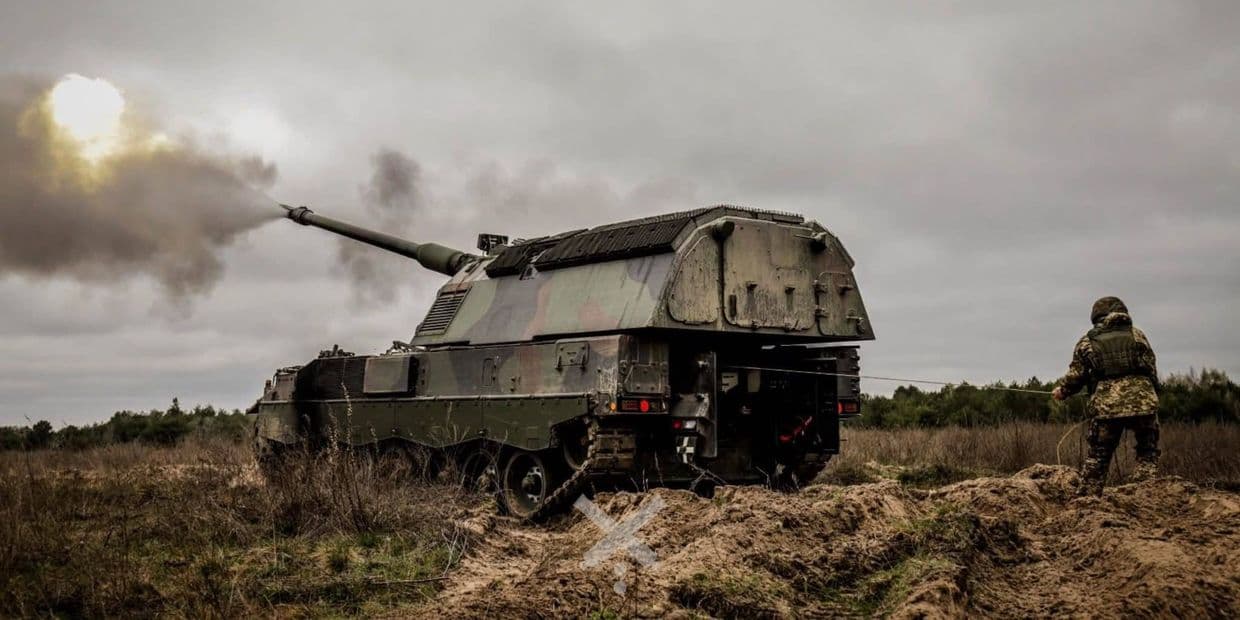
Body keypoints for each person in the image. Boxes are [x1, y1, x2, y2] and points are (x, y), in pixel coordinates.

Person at [1052, 296, 1160, 496]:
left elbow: (1076, 376)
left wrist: (1062, 391)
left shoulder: (1087, 341)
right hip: (1144, 403)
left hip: (1107, 407)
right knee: (1148, 452)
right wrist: (1151, 394)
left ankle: (1088, 500)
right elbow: (1151, 369)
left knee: (1099, 456)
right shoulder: (1138, 335)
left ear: (1096, 317)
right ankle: (1146, 497)